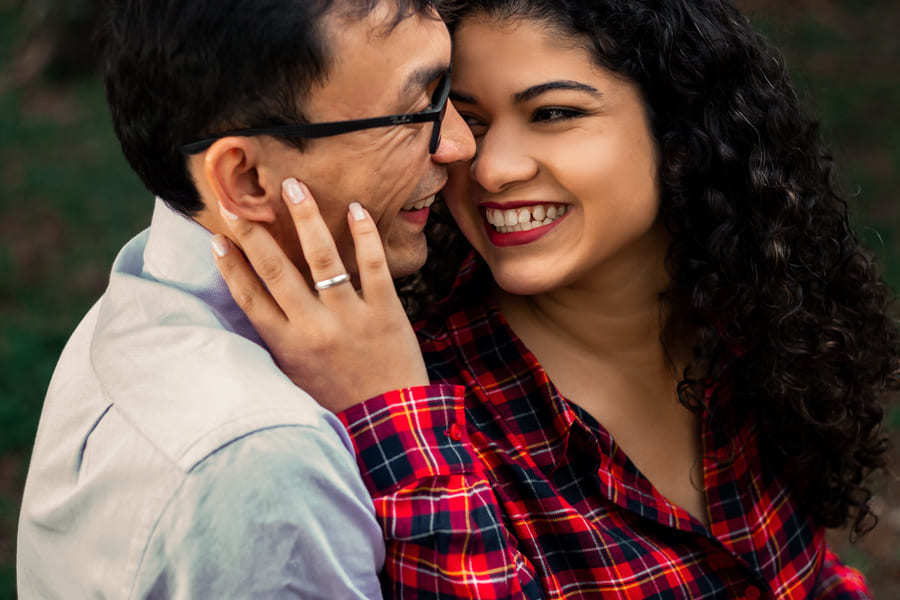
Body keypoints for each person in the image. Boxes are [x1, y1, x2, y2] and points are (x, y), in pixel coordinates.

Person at [213, 0, 899, 597]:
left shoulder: (749, 323)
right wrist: (402, 434)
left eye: (553, 113)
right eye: (470, 121)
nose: (490, 167)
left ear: (683, 133)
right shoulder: (420, 417)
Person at [16, 0, 475, 597]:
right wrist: (398, 419)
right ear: (246, 180)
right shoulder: (266, 463)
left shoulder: (147, 284)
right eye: (417, 113)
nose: (459, 144)